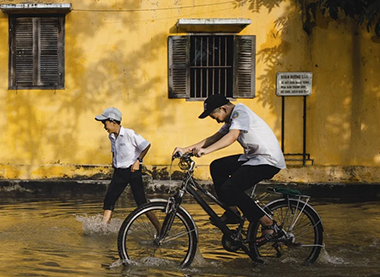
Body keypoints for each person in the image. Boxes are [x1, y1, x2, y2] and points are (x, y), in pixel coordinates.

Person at [172, 94, 286, 241]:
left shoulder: (240, 112)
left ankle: (268, 224)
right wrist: (186, 149)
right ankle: (232, 211)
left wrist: (206, 151)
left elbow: (232, 136)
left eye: (215, 117)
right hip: (253, 158)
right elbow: (214, 138)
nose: (217, 121)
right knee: (217, 166)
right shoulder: (232, 118)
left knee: (230, 188)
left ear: (224, 108)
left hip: (267, 160)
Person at [95, 107, 154, 225]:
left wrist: (138, 160)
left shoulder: (129, 134)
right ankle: (103, 227)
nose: (104, 127)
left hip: (132, 171)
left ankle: (160, 228)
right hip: (119, 172)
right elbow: (114, 149)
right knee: (109, 199)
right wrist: (114, 160)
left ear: (113, 122)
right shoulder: (111, 136)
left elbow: (146, 145)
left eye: (105, 123)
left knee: (142, 203)